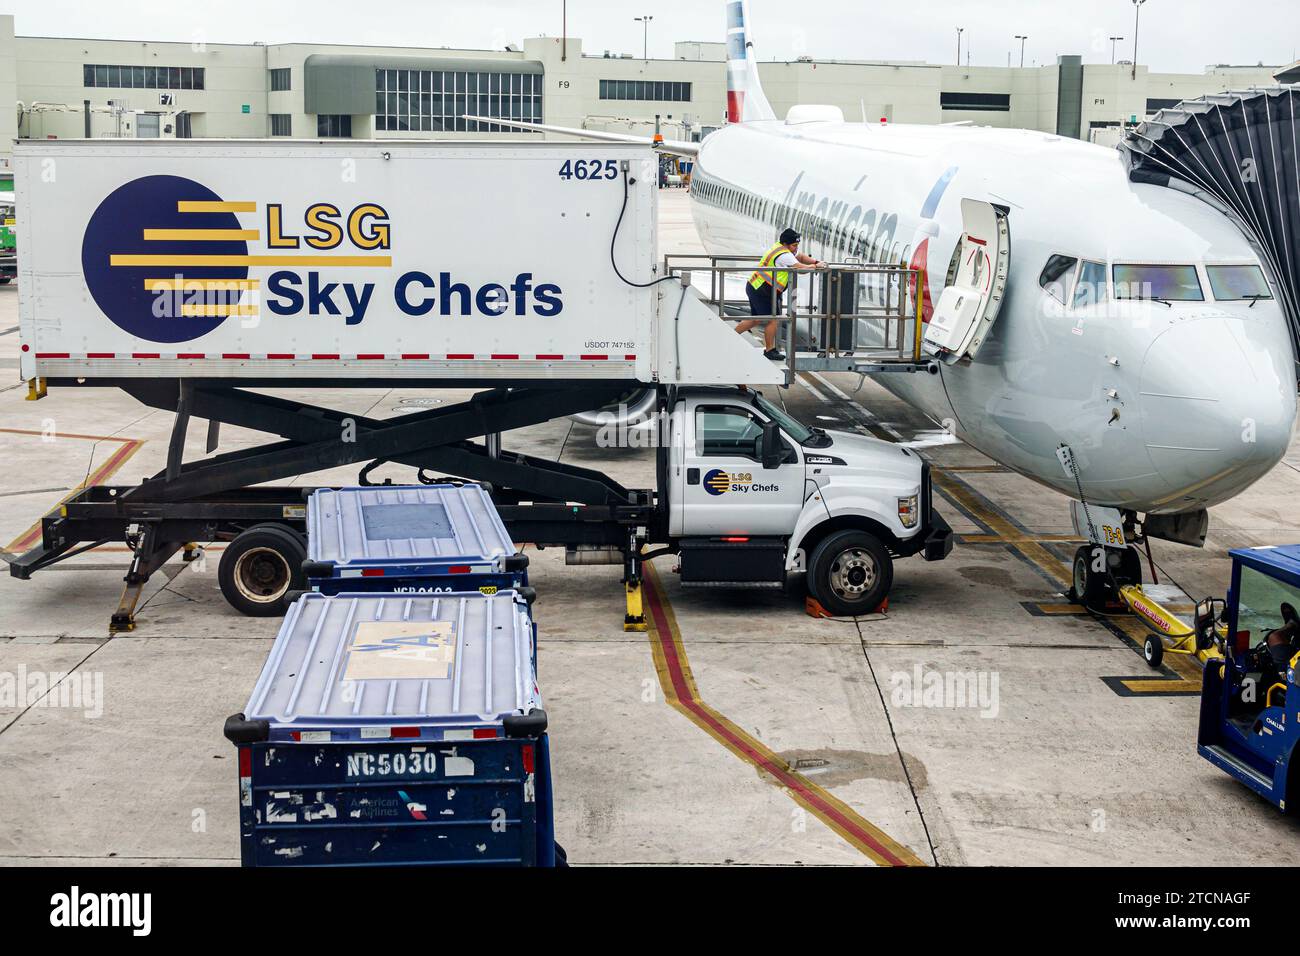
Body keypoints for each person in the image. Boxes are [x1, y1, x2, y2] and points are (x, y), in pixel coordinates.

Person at [735, 227, 824, 360]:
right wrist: (816, 266)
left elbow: (800, 256)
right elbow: (801, 268)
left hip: (757, 286)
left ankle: (731, 334)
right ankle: (769, 350)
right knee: (773, 319)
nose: (796, 248)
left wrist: (815, 261)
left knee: (756, 318)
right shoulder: (784, 255)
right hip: (763, 290)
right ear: (786, 244)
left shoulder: (782, 248)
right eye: (794, 245)